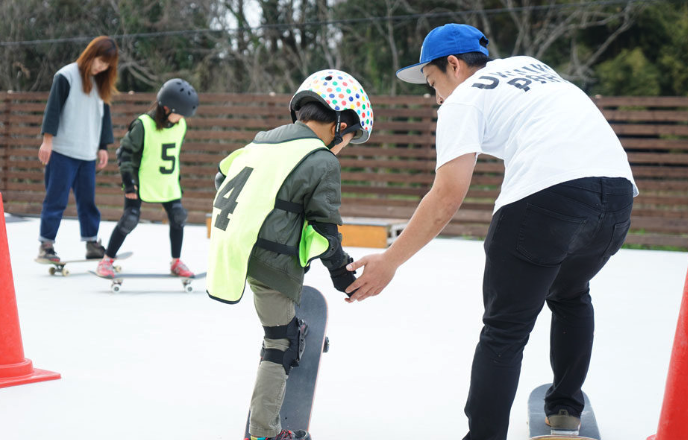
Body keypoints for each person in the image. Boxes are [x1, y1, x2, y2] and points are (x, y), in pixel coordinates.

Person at [345, 24, 637, 440]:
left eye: (432, 84)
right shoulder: (530, 67)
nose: (436, 97)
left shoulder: (463, 99)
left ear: (453, 65)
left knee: (505, 330)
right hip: (617, 197)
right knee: (572, 295)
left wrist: (390, 261)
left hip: (546, 201)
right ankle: (565, 409)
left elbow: (447, 196)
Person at [206, 69, 373, 440]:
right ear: (340, 123)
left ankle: (288, 326)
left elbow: (222, 177)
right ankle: (263, 433)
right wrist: (344, 277)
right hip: (270, 262)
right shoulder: (320, 159)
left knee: (279, 327)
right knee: (280, 342)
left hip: (236, 249)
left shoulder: (262, 143)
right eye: (349, 138)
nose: (344, 146)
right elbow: (325, 229)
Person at [95, 79, 199, 278]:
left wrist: (177, 181)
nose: (183, 118)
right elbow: (123, 153)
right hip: (140, 182)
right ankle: (106, 261)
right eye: (181, 113)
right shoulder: (144, 125)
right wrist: (128, 184)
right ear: (167, 108)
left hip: (167, 182)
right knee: (130, 219)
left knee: (178, 217)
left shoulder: (180, 125)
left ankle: (176, 262)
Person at [37, 36, 119, 263]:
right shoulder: (66, 75)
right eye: (99, 61)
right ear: (90, 54)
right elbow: (52, 109)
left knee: (88, 202)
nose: (101, 67)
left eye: (106, 65)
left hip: (87, 153)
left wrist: (102, 147)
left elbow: (103, 118)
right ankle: (46, 245)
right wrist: (47, 140)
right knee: (56, 199)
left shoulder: (101, 84)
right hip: (63, 151)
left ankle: (92, 243)